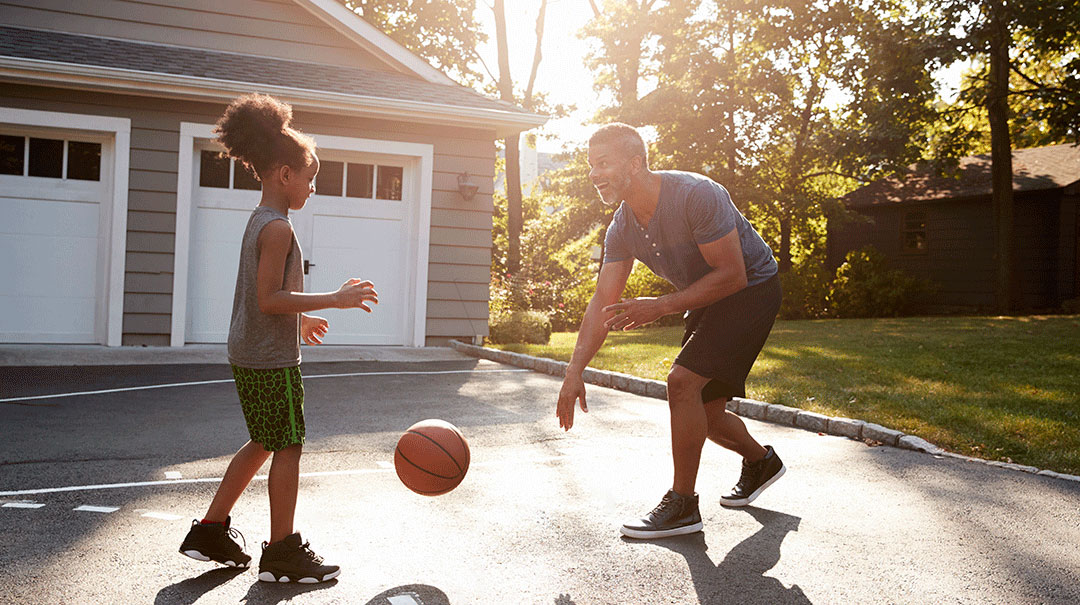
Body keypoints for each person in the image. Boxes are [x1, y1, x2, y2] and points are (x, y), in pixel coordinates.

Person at [178, 93, 378, 582]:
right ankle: (283, 552)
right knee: (287, 445)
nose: (312, 187)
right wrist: (333, 298)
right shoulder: (278, 230)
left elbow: (271, 297)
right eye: (309, 178)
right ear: (284, 174)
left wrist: (301, 319)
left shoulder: (263, 221)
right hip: (267, 357)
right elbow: (269, 298)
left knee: (265, 441)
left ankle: (209, 529)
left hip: (253, 349)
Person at [556, 123, 785, 539]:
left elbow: (732, 275)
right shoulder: (622, 227)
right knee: (706, 414)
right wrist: (574, 371)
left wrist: (659, 307)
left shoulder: (696, 195)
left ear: (635, 163)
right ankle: (761, 461)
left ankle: (683, 505)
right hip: (708, 297)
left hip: (751, 287)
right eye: (591, 165)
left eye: (602, 163)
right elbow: (601, 301)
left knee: (681, 384)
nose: (594, 174)